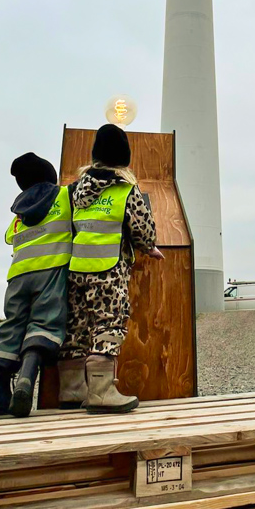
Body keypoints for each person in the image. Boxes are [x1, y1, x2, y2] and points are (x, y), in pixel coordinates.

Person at [58, 123, 163, 414]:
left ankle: (71, 390)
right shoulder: (125, 189)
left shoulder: (73, 190)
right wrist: (148, 247)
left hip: (75, 268)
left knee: (76, 325)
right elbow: (143, 230)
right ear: (123, 157)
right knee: (109, 321)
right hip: (108, 269)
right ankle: (102, 392)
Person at [0, 153, 72, 418]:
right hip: (51, 270)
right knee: (45, 322)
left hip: (18, 276)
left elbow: (10, 238)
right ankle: (26, 378)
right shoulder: (63, 196)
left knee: (11, 325)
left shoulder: (18, 212)